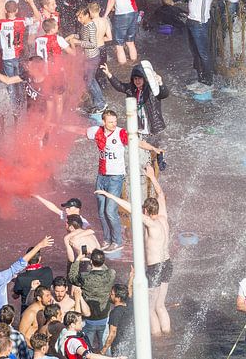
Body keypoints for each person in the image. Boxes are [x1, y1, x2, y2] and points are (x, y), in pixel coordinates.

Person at [95, 164, 170, 335]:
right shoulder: (164, 217)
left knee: (150, 309)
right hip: (167, 263)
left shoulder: (151, 223)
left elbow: (131, 208)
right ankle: (168, 334)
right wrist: (152, 177)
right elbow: (160, 195)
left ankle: (158, 340)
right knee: (160, 305)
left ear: (145, 210)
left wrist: (108, 195)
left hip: (155, 267)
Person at [86, 109, 162, 253]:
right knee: (101, 212)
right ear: (103, 122)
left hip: (116, 177)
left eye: (115, 121)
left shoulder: (120, 133)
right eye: (110, 122)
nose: (114, 124)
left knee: (110, 210)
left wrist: (153, 148)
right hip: (101, 176)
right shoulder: (96, 131)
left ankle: (118, 241)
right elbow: (80, 131)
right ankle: (107, 240)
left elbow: (138, 142)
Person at [102, 62, 169, 139]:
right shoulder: (131, 89)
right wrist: (108, 74)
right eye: (135, 79)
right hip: (140, 128)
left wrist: (160, 83)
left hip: (156, 127)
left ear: (144, 78)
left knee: (155, 149)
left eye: (140, 78)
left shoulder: (152, 89)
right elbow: (119, 86)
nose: (137, 81)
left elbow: (164, 94)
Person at [68, 249, 116, 348]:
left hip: (89, 318)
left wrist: (78, 259)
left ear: (91, 261)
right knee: (106, 348)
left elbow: (72, 277)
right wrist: (99, 260)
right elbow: (106, 269)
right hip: (105, 317)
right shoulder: (111, 274)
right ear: (103, 262)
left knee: (87, 348)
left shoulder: (85, 277)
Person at [58, 311, 125, 359]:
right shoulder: (73, 341)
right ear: (72, 325)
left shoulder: (70, 336)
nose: (82, 323)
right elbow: (88, 356)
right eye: (79, 322)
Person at [11, 248, 53, 313]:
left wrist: (13, 283)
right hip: (45, 309)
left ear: (27, 260)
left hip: (27, 311)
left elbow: (15, 296)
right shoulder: (48, 271)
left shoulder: (21, 278)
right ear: (40, 258)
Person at [102, 283, 133, 356]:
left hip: (118, 347)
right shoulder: (129, 305)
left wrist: (102, 351)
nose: (110, 295)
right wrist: (131, 278)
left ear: (118, 298)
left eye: (112, 294)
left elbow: (112, 334)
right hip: (128, 344)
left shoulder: (115, 312)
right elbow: (129, 292)